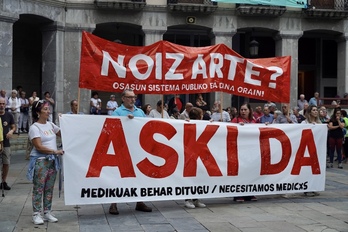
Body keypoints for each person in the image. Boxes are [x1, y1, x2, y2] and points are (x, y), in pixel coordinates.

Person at [110, 89, 152, 215]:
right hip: (122, 149)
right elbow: (112, 127)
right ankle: (113, 204)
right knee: (119, 176)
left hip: (138, 149)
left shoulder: (140, 112)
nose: (133, 99)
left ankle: (140, 202)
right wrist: (125, 121)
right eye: (129, 97)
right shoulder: (117, 112)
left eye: (134, 97)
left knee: (139, 176)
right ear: (123, 98)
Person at [26, 100, 64, 225]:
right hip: (41, 161)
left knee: (49, 187)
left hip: (52, 161)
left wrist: (64, 120)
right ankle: (36, 214)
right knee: (39, 188)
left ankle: (47, 212)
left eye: (49, 109)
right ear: (38, 112)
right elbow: (38, 147)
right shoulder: (34, 127)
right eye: (45, 109)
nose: (48, 111)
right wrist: (55, 151)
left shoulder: (51, 125)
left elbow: (63, 134)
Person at [231, 103, 257, 202]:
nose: (243, 111)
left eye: (245, 109)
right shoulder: (236, 120)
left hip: (250, 151)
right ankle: (238, 194)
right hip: (239, 150)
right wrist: (237, 127)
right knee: (240, 172)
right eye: (241, 109)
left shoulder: (253, 121)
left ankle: (249, 193)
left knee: (249, 172)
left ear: (249, 110)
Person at [184, 107, 206, 209]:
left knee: (198, 177)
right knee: (190, 177)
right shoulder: (187, 124)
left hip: (199, 154)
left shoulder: (203, 124)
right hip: (189, 154)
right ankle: (188, 199)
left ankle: (196, 198)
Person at [301, 105, 321, 196]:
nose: (316, 112)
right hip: (306, 149)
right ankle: (306, 187)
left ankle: (313, 186)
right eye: (314, 110)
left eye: (317, 110)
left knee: (315, 169)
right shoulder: (304, 123)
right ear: (309, 112)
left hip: (316, 150)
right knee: (306, 170)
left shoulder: (320, 123)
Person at [0, 98, 15, 191]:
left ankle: (3, 181)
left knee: (6, 163)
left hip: (6, 143)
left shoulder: (9, 115)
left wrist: (11, 131)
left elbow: (13, 126)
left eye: (3, 104)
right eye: (0, 103)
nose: (1, 105)